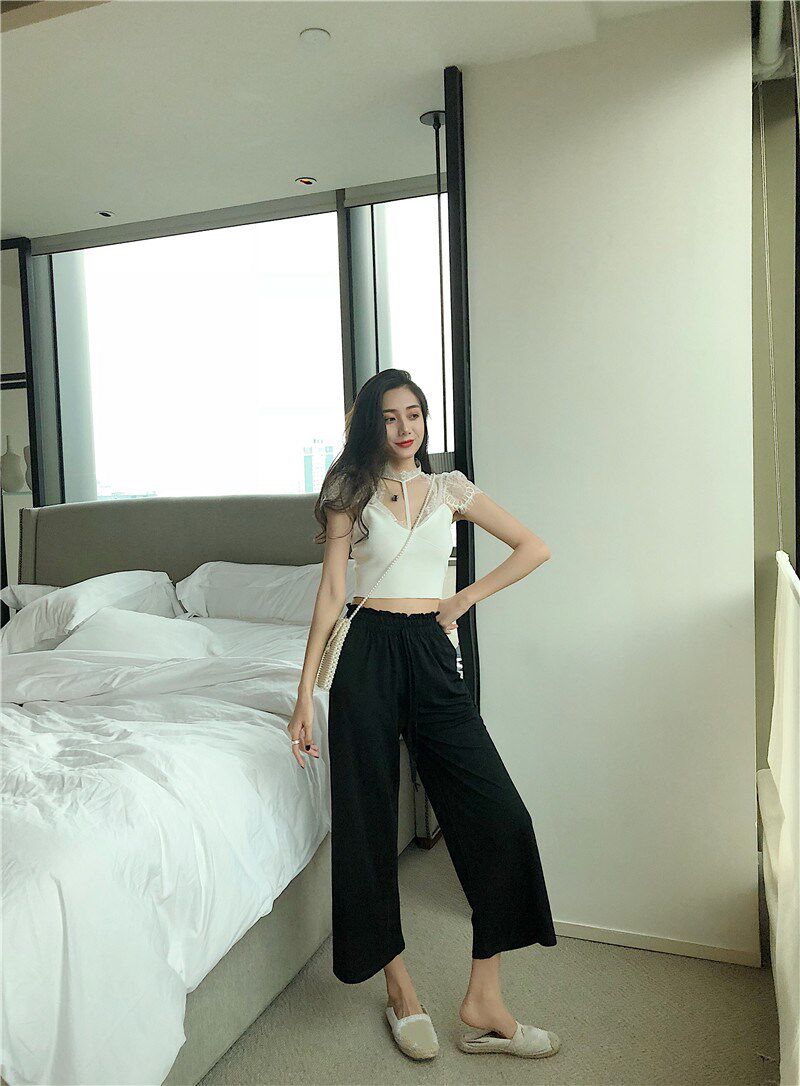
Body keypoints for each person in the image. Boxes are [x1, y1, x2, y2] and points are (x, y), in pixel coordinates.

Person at [287, 368, 560, 1062]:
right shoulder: (347, 492)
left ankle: (484, 998)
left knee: (501, 816)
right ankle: (400, 987)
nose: (404, 427)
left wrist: (462, 599)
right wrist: (303, 696)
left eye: (413, 414)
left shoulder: (450, 490)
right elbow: (331, 595)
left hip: (432, 654)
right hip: (368, 653)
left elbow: (534, 547)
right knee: (368, 823)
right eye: (389, 416)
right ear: (370, 425)